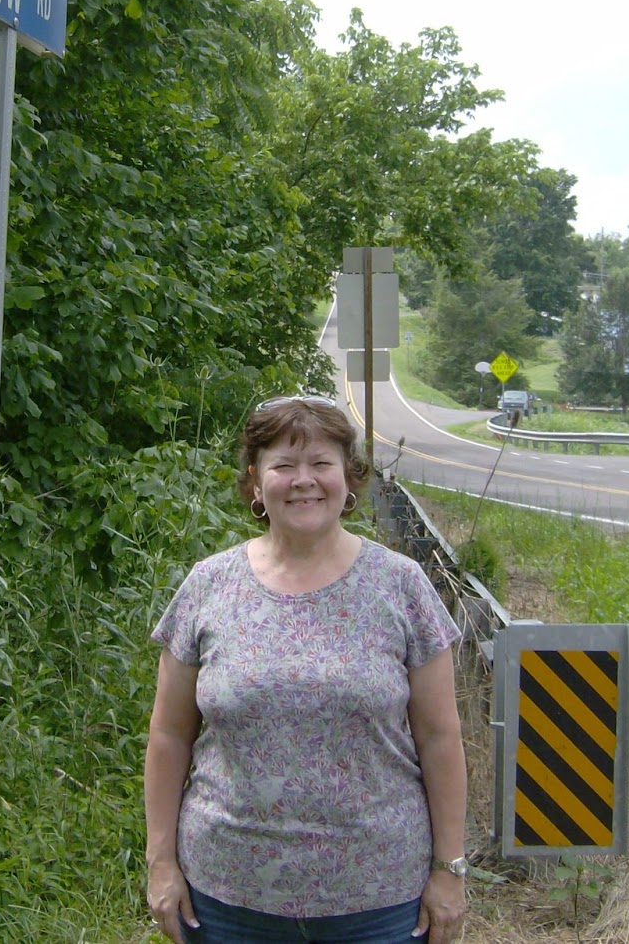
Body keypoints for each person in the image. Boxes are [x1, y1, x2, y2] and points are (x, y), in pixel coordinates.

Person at [144, 394, 469, 943]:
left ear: (348, 478)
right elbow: (169, 734)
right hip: (227, 899)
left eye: (321, 463)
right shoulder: (209, 585)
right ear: (254, 481)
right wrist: (160, 862)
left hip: (380, 901)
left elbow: (440, 738)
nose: (304, 480)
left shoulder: (401, 585)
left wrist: (450, 869)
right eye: (283, 465)